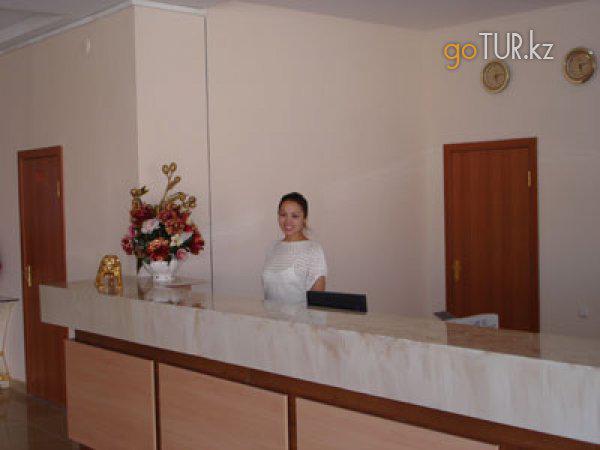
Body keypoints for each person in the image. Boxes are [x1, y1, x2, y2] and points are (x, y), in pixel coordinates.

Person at [262, 192, 327, 303]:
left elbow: (318, 301)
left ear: (304, 219)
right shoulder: (273, 248)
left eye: (295, 216)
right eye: (283, 215)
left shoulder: (314, 250)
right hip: (270, 314)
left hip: (300, 315)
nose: (288, 221)